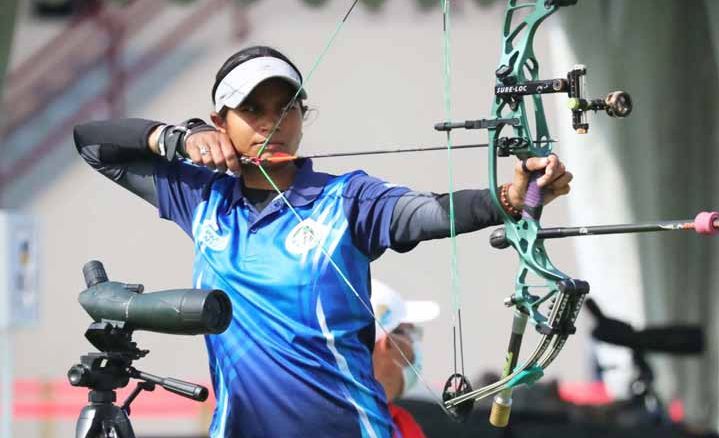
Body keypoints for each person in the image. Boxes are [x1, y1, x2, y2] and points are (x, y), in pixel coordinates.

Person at [73, 45, 572, 438]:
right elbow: (93, 143)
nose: (273, 122)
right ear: (220, 122)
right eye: (252, 109)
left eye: (286, 107)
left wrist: (510, 196)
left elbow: (426, 213)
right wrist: (173, 139)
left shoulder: (347, 199)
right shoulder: (200, 197)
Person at [370, 279, 439, 438]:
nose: (415, 344)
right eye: (410, 333)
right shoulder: (335, 418)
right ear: (388, 343)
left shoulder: (402, 423)